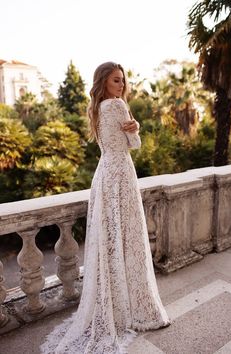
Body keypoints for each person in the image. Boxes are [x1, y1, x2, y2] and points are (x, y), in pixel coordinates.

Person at [41, 62, 170, 354]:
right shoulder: (118, 105)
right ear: (104, 82)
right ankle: (136, 309)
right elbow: (133, 145)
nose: (121, 85)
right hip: (121, 175)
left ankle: (116, 303)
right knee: (129, 238)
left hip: (104, 175)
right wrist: (136, 128)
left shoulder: (97, 108)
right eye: (115, 80)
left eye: (122, 80)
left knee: (111, 241)